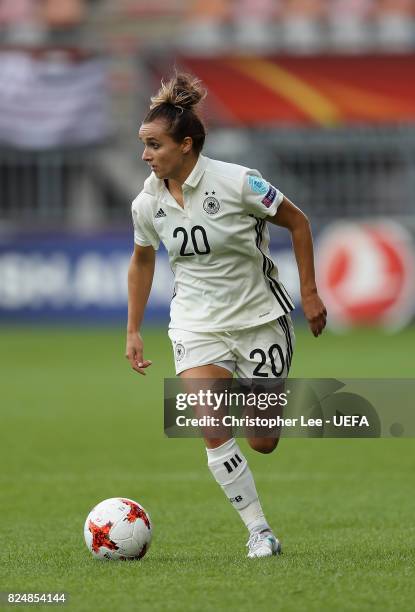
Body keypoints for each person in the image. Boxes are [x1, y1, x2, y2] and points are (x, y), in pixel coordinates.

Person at [126, 73, 327, 559]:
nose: (146, 156)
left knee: (262, 441)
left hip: (260, 319)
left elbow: (297, 222)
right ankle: (259, 532)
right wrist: (133, 328)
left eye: (154, 145)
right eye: (144, 146)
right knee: (213, 426)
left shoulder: (238, 183)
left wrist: (311, 293)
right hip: (196, 326)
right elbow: (143, 259)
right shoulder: (147, 202)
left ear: (186, 145)